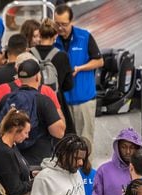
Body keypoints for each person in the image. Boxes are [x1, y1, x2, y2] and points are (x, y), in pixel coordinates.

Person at [0, 58, 65, 166]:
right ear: (37, 77)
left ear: (19, 78)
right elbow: (59, 132)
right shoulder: (43, 101)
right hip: (37, 163)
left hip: (12, 160)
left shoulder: (6, 98)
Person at [53, 4, 103, 148]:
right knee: (66, 143)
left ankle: (85, 170)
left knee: (85, 142)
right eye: (57, 24)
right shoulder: (53, 40)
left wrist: (80, 68)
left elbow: (99, 61)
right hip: (63, 102)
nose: (60, 27)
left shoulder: (84, 36)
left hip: (84, 100)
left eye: (64, 24)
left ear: (72, 22)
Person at [91, 127, 142, 195]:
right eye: (123, 147)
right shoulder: (103, 171)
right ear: (117, 147)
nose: (128, 152)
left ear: (138, 149)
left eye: (132, 148)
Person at [31, 18, 74, 133]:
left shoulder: (29, 54)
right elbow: (68, 85)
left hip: (33, 101)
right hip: (56, 101)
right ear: (55, 35)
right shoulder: (62, 56)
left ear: (39, 34)